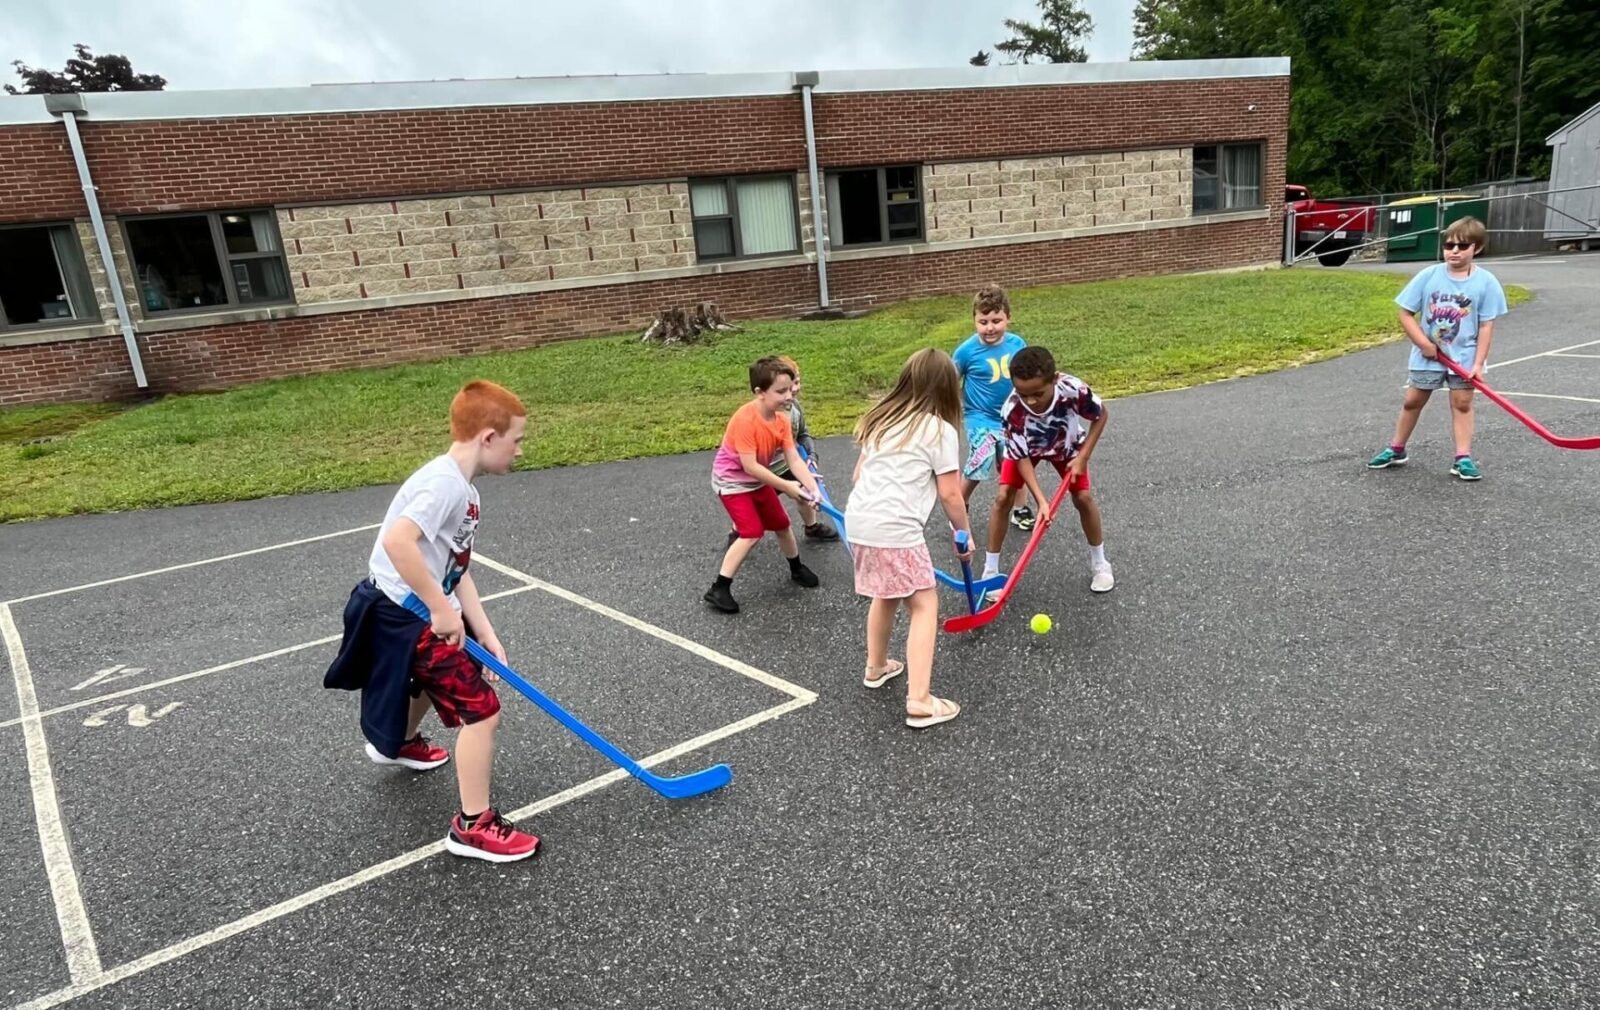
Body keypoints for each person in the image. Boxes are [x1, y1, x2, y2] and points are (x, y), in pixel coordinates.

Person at [323, 379, 539, 863]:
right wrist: (442, 612)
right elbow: (400, 543)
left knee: (423, 677)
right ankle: (473, 827)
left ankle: (395, 743)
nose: (520, 450)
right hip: (403, 613)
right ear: (488, 437)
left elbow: (454, 566)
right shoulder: (443, 485)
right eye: (517, 440)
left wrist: (484, 629)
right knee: (482, 712)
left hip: (408, 609)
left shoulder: (464, 490)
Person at [843, 347, 974, 729]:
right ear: (948, 388)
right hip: (896, 527)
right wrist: (962, 533)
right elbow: (951, 493)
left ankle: (877, 665)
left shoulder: (882, 421)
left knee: (887, 591)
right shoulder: (939, 430)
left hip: (861, 521)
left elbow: (857, 477)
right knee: (924, 603)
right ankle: (919, 700)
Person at [1367, 216, 1509, 481]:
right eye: (1449, 245)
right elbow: (1405, 314)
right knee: (1412, 401)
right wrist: (1423, 343)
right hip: (1428, 355)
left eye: (1462, 246)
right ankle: (1396, 449)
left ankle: (1463, 458)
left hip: (1464, 356)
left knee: (1462, 403)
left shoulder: (1486, 282)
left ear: (1476, 248)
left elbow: (1487, 326)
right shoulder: (1429, 275)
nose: (1454, 251)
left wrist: (1478, 364)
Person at [982, 346, 1113, 596]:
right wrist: (1042, 502)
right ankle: (990, 572)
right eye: (1023, 393)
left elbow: (1101, 414)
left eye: (1037, 393)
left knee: (1083, 498)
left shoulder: (1073, 390)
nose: (1030, 400)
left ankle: (1101, 564)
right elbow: (1021, 458)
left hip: (1067, 446)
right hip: (1027, 450)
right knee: (1003, 497)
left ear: (1054, 379)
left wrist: (1083, 457)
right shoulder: (1012, 410)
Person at [704, 356, 824, 614]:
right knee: (751, 532)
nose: (788, 396)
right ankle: (719, 588)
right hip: (733, 483)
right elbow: (751, 467)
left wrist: (811, 487)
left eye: (790, 389)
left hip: (756, 481)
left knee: (782, 525)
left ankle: (796, 568)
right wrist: (788, 487)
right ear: (759, 392)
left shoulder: (781, 420)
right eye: (780, 391)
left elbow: (793, 458)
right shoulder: (745, 420)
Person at [725, 354, 837, 547]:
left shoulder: (794, 407)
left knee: (804, 492)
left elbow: (803, 434)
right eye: (786, 386)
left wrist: (811, 455)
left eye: (797, 382)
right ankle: (737, 531)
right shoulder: (763, 412)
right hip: (763, 472)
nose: (793, 390)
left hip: (786, 464)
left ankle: (812, 526)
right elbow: (748, 460)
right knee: (754, 507)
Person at [953, 283, 1035, 531]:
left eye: (996, 320)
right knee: (982, 458)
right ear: (974, 321)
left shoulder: (1016, 344)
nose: (990, 327)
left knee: (1016, 460)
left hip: (1012, 416)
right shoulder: (966, 351)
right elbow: (948, 380)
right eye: (984, 321)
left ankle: (1020, 509)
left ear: (1008, 318)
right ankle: (958, 505)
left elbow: (1028, 375)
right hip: (980, 417)